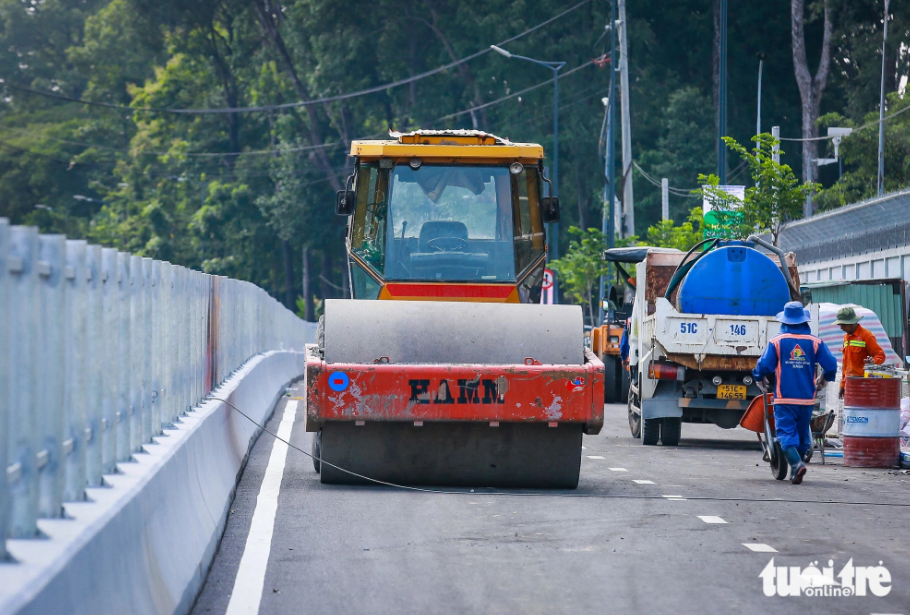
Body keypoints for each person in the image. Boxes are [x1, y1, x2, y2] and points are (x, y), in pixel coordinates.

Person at [753, 302, 837, 484]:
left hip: (784, 398)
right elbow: (831, 365)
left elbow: (764, 365)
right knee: (801, 435)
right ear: (803, 321)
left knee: (784, 434)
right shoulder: (815, 342)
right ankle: (795, 469)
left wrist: (758, 376)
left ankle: (797, 465)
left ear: (785, 321)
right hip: (807, 399)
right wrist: (824, 379)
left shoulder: (777, 341)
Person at [832, 306, 886, 398]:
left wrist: (874, 362)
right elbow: (846, 365)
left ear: (851, 323)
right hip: (850, 384)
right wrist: (843, 384)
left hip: (864, 385)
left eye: (843, 324)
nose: (841, 328)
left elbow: (880, 355)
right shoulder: (846, 338)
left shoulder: (867, 336)